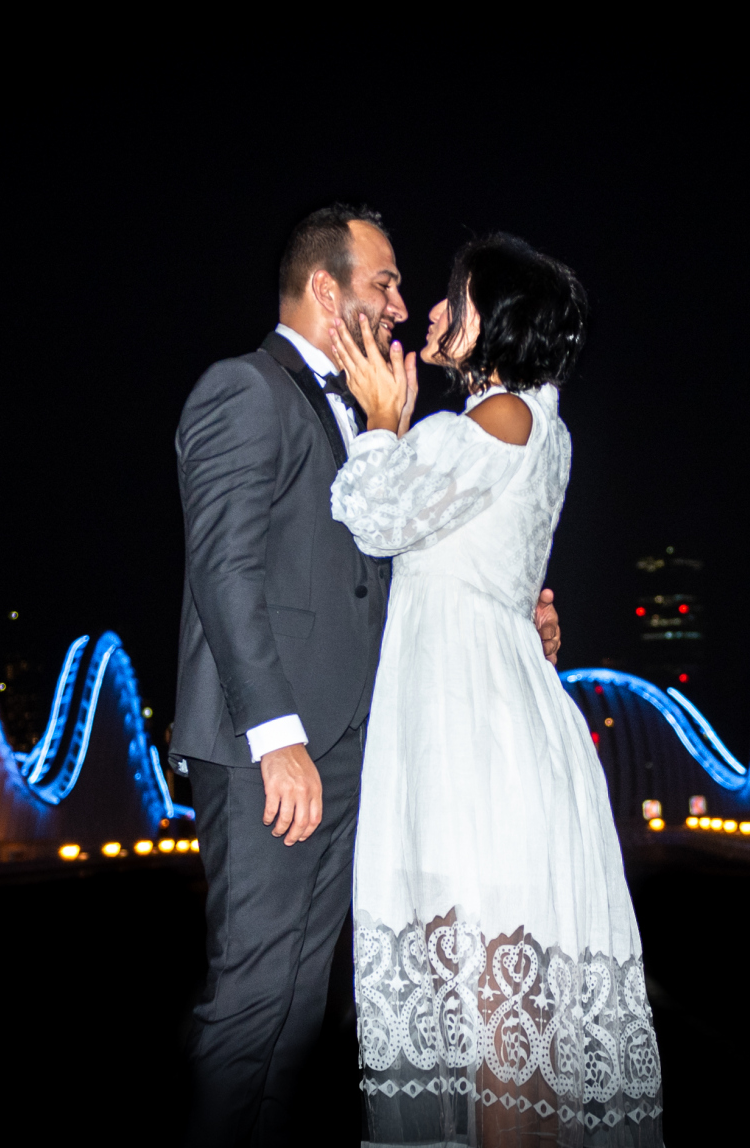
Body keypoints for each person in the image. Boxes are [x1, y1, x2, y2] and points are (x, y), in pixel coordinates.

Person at [172, 206, 562, 1147]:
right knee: (251, 998)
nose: (399, 304)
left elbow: (388, 571)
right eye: (383, 283)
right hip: (275, 747)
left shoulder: (377, 412)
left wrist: (515, 609)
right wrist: (278, 738)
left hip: (353, 746)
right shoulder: (244, 389)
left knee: (298, 1006)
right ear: (324, 288)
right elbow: (223, 573)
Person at [328, 234, 663, 1147]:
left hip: (471, 736)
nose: (434, 312)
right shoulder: (532, 426)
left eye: (456, 297)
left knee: (496, 1024)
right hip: (489, 718)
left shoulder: (499, 418)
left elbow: (376, 516)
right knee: (503, 1018)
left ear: (498, 324)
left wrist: (382, 424)